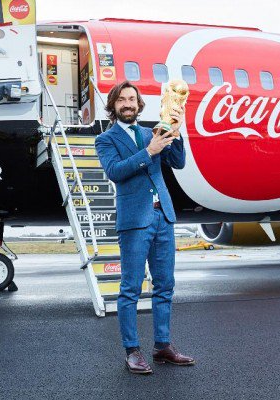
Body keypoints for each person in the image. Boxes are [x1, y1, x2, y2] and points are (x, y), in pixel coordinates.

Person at [95, 81, 195, 374]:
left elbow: (178, 162)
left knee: (165, 285)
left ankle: (162, 346)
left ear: (139, 105)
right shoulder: (106, 139)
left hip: (162, 216)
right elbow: (115, 172)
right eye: (122, 100)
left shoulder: (153, 130)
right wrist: (149, 151)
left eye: (132, 99)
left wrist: (176, 131)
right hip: (135, 221)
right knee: (130, 289)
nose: (128, 104)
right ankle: (132, 351)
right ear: (113, 106)